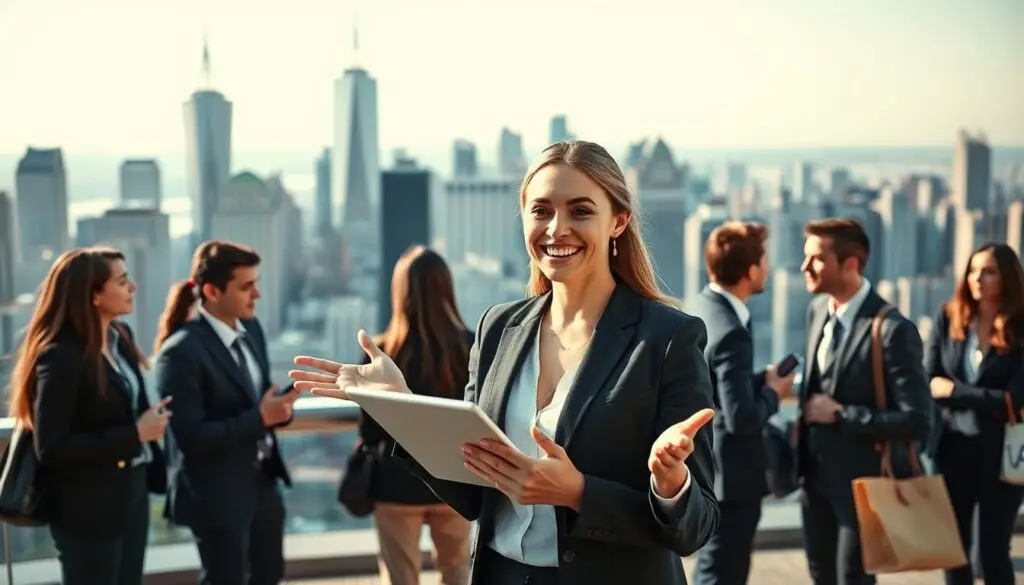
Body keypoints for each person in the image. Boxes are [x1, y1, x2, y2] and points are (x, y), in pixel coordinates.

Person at [291, 140, 719, 585]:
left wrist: (608, 491)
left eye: (580, 211)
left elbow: (697, 525)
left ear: (619, 221)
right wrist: (398, 405)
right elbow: (475, 495)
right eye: (540, 211)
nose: (556, 228)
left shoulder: (667, 339)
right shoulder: (498, 329)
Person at [8, 247, 169, 585]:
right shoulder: (61, 357)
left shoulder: (121, 338)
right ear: (94, 294)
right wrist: (135, 434)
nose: (133, 288)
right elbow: (51, 447)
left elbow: (127, 407)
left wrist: (151, 421)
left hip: (132, 492)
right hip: (87, 509)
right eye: (122, 281)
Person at [154, 241, 300, 585]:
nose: (257, 295)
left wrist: (281, 407)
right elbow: (190, 437)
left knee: (269, 577)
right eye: (246, 287)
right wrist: (261, 418)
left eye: (257, 283)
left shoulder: (252, 331)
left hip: (262, 486)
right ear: (211, 291)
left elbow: (254, 400)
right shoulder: (181, 353)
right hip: (216, 497)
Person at [795, 218, 932, 585]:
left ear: (851, 263)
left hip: (864, 487)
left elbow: (919, 419)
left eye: (816, 259)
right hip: (814, 480)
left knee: (852, 578)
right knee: (821, 575)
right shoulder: (817, 312)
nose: (804, 267)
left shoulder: (891, 329)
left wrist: (841, 415)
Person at [357, 245, 474, 585]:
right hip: (453, 479)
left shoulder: (381, 352)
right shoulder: (470, 346)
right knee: (456, 572)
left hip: (395, 483)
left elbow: (370, 431)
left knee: (399, 578)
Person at [687, 221, 794, 585]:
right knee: (724, 573)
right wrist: (773, 393)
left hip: (706, 469)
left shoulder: (701, 306)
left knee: (710, 567)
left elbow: (713, 388)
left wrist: (754, 381)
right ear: (750, 272)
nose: (767, 268)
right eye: (764, 261)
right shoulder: (733, 332)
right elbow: (742, 418)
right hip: (733, 480)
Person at [924, 243, 1024, 585]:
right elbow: (928, 380)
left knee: (992, 552)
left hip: (1001, 454)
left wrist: (954, 391)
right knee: (953, 550)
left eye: (989, 271)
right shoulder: (948, 316)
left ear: (1007, 277)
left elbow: (1013, 400)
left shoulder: (1021, 328)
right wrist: (983, 398)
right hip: (951, 449)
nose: (977, 278)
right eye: (973, 270)